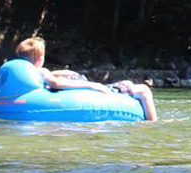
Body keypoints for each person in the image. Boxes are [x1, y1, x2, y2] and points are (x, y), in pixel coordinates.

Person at [16, 36, 156, 121]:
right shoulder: (42, 71)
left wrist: (63, 72)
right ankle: (152, 123)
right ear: (41, 58)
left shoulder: (25, 74)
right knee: (141, 89)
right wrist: (93, 85)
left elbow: (51, 78)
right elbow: (55, 83)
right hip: (94, 91)